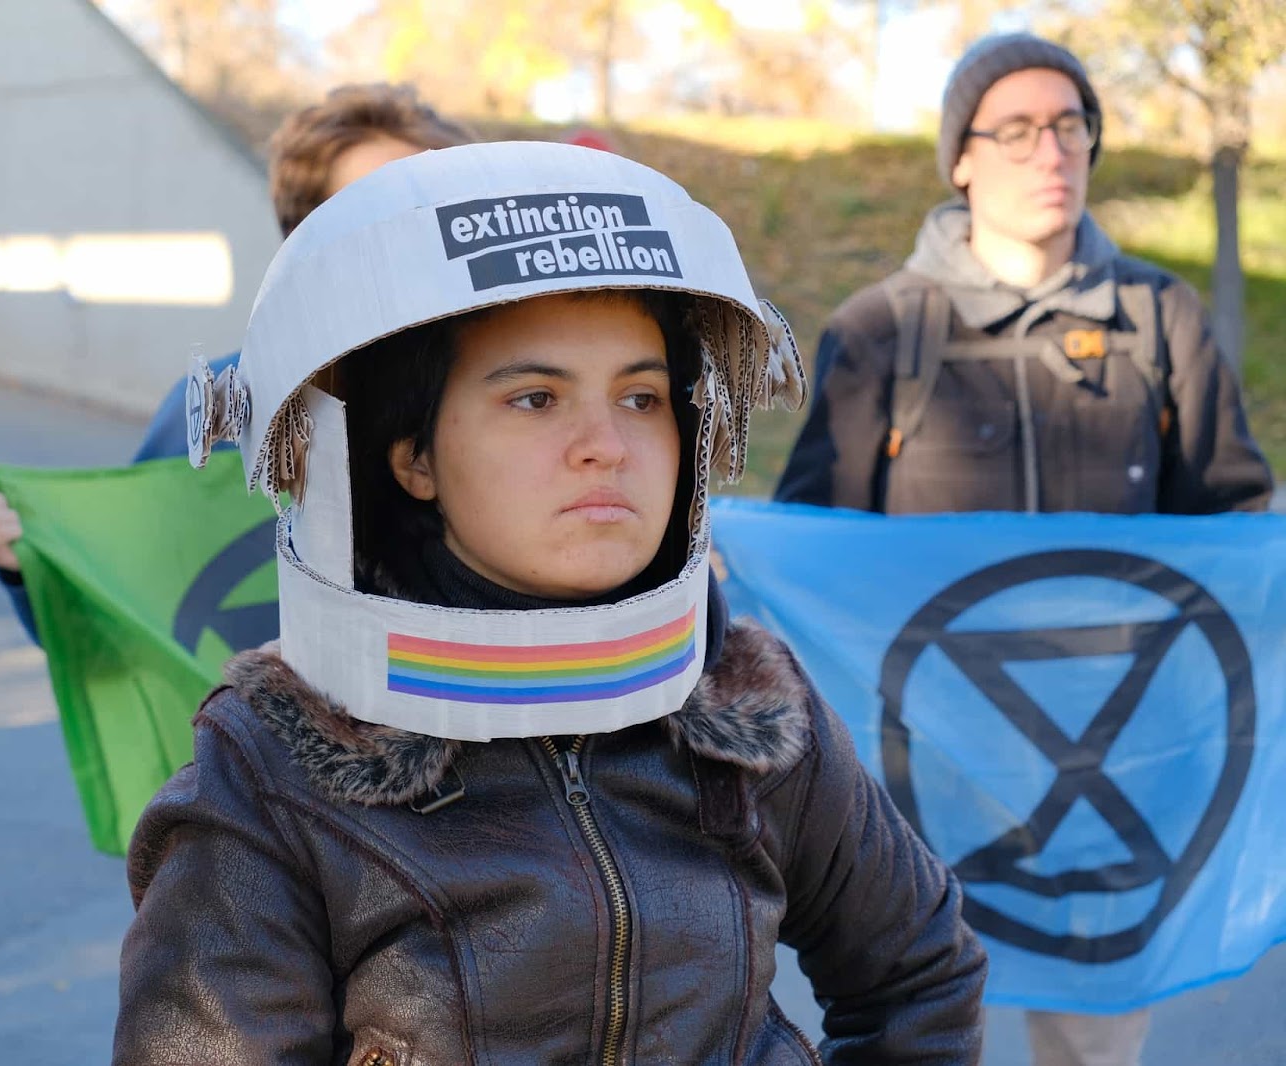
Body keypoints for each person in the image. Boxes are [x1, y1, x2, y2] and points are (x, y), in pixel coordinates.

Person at [114, 140, 987, 1063]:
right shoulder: (269, 770)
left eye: (643, 398)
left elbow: (920, 974)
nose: (606, 445)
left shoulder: (749, 701)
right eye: (535, 399)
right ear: (412, 458)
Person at [774, 32, 1274, 1066]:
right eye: (1014, 129)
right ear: (961, 156)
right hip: (917, 769)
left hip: (1112, 772)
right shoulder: (879, 330)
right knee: (908, 1022)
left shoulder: (1159, 318)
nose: (1048, 151)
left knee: (1092, 1044)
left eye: (1069, 126)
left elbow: (1230, 519)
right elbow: (815, 533)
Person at [0, 83, 476, 640]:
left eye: (436, 205)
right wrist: (33, 566)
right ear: (305, 244)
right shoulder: (231, 405)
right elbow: (134, 615)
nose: (413, 233)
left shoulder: (541, 398)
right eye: (376, 212)